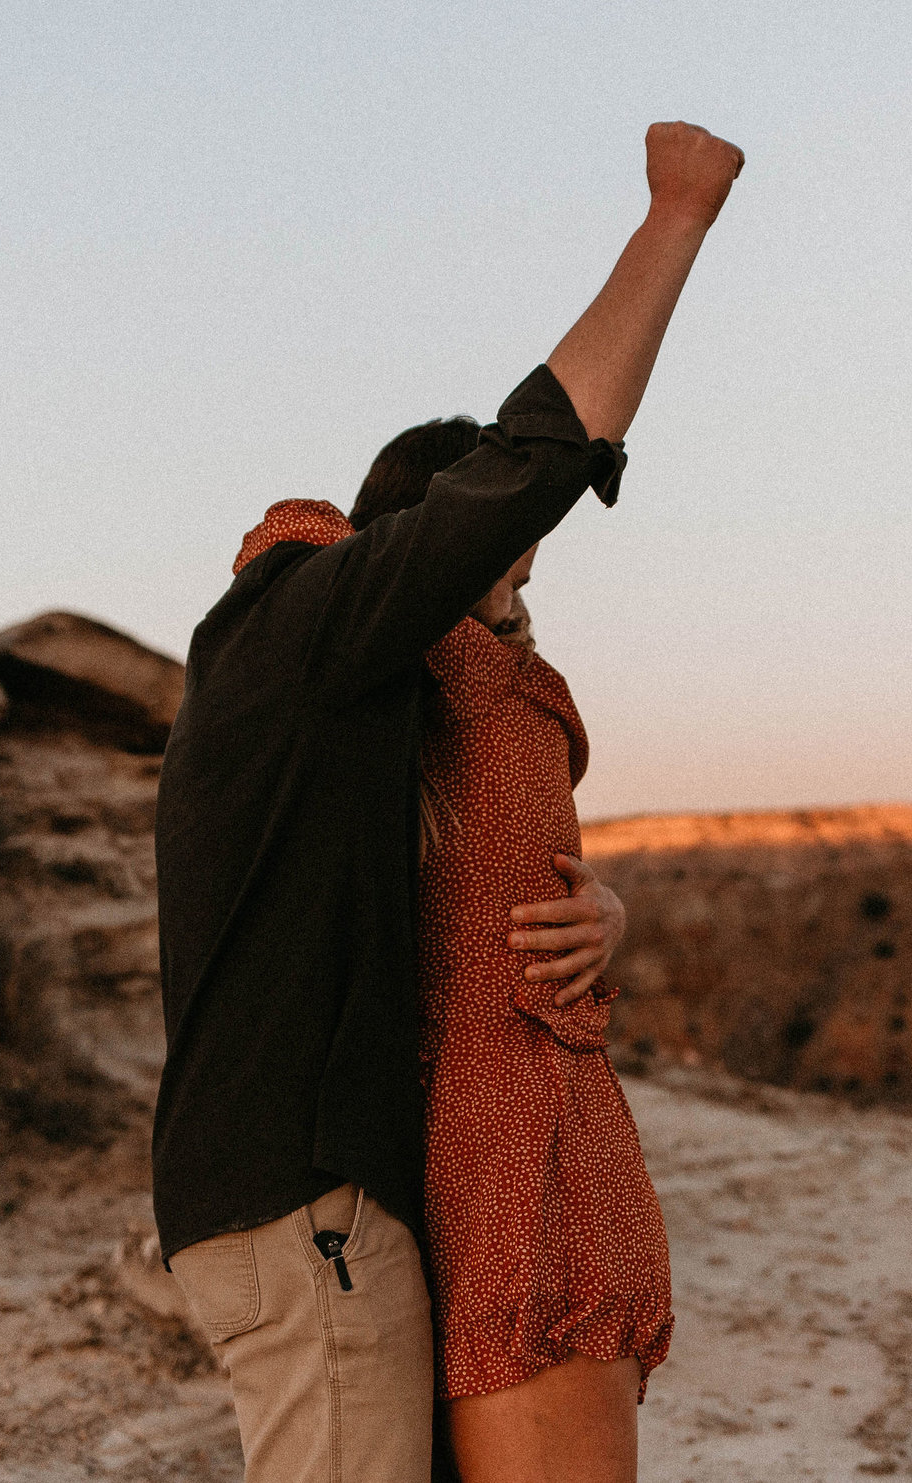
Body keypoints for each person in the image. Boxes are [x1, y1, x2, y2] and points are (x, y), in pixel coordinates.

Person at [154, 120, 744, 1483]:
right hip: (312, 1220)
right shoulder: (316, 618)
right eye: (505, 584)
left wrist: (600, 902)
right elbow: (535, 454)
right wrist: (678, 219)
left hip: (288, 1208)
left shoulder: (288, 686)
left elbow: (474, 893)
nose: (514, 626)